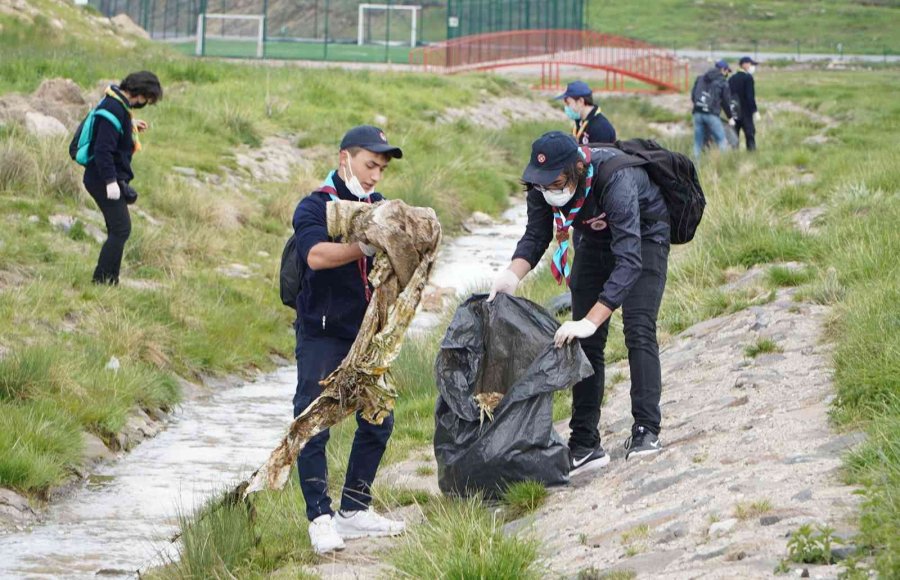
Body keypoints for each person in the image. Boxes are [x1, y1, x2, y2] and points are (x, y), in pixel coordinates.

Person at [488, 131, 670, 476]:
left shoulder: (615, 178)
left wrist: (593, 317)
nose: (548, 190)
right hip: (595, 238)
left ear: (576, 168)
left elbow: (629, 261)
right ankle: (585, 445)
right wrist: (511, 276)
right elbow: (536, 236)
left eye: (556, 182)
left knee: (638, 328)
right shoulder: (541, 188)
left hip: (645, 235)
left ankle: (647, 430)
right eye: (542, 184)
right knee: (583, 342)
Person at [290, 125, 406, 555]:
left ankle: (354, 510)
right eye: (369, 164)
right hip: (320, 333)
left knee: (380, 418)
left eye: (381, 168)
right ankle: (319, 519)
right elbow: (316, 256)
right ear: (345, 159)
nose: (375, 176)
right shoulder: (315, 205)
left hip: (366, 335)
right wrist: (364, 248)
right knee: (313, 422)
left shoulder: (378, 207)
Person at [82, 71, 161, 284]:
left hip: (104, 177)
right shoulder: (114, 108)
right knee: (121, 229)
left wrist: (132, 126)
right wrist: (110, 182)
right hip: (102, 179)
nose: (145, 103)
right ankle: (103, 280)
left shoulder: (117, 103)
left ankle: (109, 279)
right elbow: (102, 150)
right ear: (140, 93)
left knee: (117, 228)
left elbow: (111, 133)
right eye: (148, 99)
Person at [690, 60, 736, 158]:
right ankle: (723, 164)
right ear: (723, 70)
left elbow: (693, 96)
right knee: (721, 140)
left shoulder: (700, 78)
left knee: (698, 143)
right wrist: (730, 117)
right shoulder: (723, 82)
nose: (727, 73)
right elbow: (725, 102)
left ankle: (694, 166)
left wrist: (700, 106)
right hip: (711, 114)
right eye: (727, 71)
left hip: (697, 113)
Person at [556, 81, 617, 145]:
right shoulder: (580, 122)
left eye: (568, 103)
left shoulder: (602, 129)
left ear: (580, 101)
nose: (566, 107)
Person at [728, 56, 760, 151]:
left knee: (735, 136)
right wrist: (754, 110)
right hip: (746, 111)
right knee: (750, 134)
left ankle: (734, 155)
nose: (752, 67)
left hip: (734, 111)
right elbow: (750, 96)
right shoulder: (748, 78)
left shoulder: (732, 78)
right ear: (745, 64)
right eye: (751, 64)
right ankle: (751, 154)